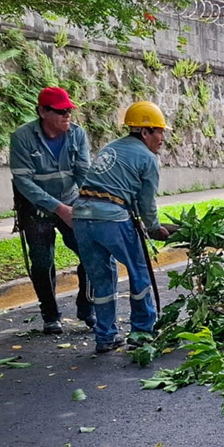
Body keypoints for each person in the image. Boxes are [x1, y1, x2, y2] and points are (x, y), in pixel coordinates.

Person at [72, 101, 171, 354]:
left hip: (81, 217)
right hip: (112, 218)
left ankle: (105, 336)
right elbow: (147, 202)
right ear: (144, 132)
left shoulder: (110, 147)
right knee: (139, 272)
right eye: (159, 132)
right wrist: (154, 227)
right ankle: (141, 331)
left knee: (102, 279)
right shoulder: (148, 158)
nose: (162, 138)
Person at [10, 87, 95, 334]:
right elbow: (23, 181)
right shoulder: (22, 137)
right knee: (42, 262)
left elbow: (84, 174)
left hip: (71, 203)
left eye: (69, 110)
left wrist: (89, 202)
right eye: (60, 111)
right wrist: (58, 208)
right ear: (42, 112)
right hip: (37, 210)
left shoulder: (77, 135)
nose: (67, 115)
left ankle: (86, 307)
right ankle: (50, 315)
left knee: (91, 252)